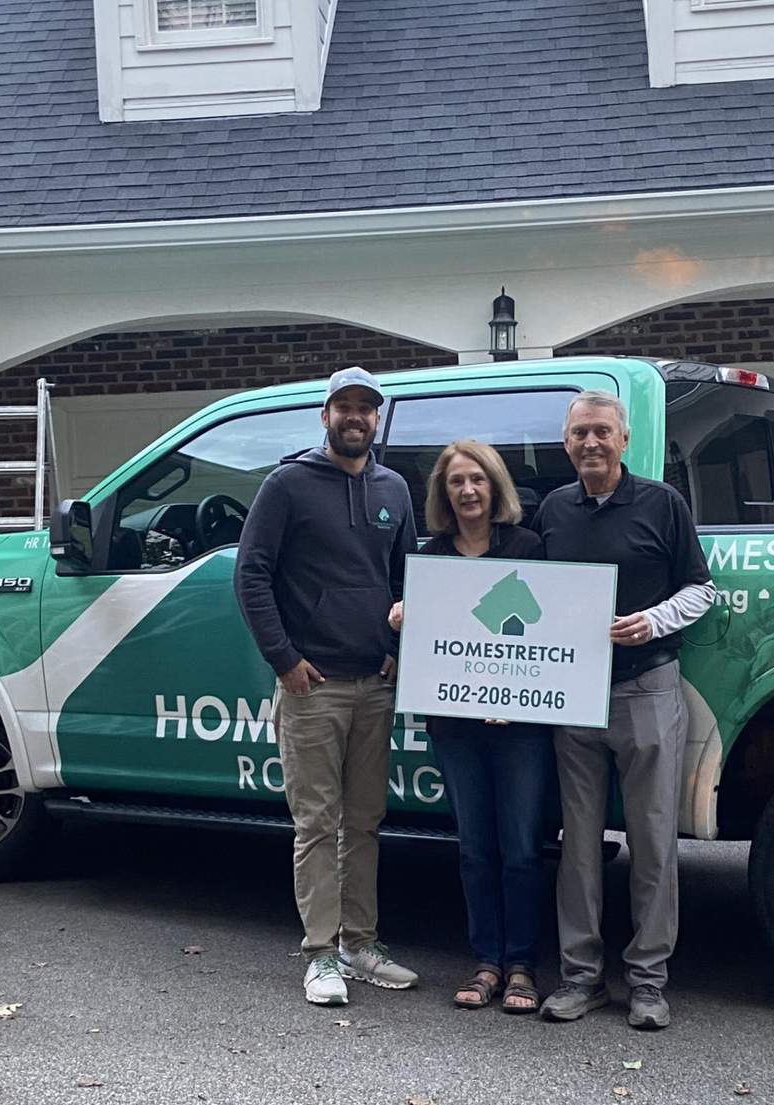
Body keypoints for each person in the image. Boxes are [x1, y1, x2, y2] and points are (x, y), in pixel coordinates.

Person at [233, 366, 419, 1006]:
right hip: (313, 687)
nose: (355, 417)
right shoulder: (287, 485)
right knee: (316, 822)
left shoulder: (394, 487)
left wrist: (396, 649)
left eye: (366, 408)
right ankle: (319, 956)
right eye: (344, 406)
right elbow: (251, 575)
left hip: (375, 683)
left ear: (377, 419)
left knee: (364, 821)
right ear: (326, 415)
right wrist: (284, 659)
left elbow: (407, 583)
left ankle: (359, 945)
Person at [533, 390, 716, 1030]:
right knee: (578, 848)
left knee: (654, 842)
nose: (590, 443)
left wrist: (653, 620)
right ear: (566, 443)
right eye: (579, 433)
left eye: (602, 432)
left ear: (624, 440)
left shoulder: (663, 503)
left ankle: (648, 982)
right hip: (573, 695)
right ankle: (580, 978)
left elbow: (702, 589)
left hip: (647, 686)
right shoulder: (554, 510)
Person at [388, 440, 551, 1013]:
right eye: (456, 481)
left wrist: (515, 695)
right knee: (475, 848)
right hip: (456, 725)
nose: (468, 490)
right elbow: (428, 649)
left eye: (478, 479)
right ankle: (485, 962)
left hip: (521, 725)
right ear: (443, 492)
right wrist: (403, 618)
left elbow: (550, 633)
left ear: (495, 485)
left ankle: (523, 966)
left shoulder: (529, 549)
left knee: (523, 848)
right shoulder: (430, 561)